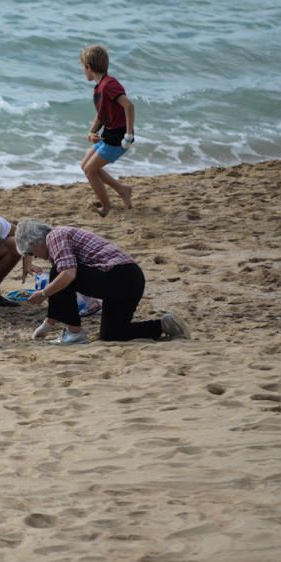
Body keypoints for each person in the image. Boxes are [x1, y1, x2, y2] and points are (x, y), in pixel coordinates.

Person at [13, 219, 190, 344]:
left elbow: (67, 275)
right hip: (130, 280)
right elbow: (65, 284)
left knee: (59, 273)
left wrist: (43, 294)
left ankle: (74, 333)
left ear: (35, 242)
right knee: (112, 334)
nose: (34, 256)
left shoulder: (55, 237)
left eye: (31, 252)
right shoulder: (58, 239)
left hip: (120, 276)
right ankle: (164, 325)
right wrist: (47, 324)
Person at [79, 44, 136, 218]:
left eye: (83, 67)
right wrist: (91, 132)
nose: (84, 71)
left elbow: (129, 105)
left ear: (89, 67)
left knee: (90, 170)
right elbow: (101, 114)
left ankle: (106, 206)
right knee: (85, 166)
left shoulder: (109, 85)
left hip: (118, 137)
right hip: (109, 134)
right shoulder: (100, 87)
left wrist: (128, 134)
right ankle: (122, 189)